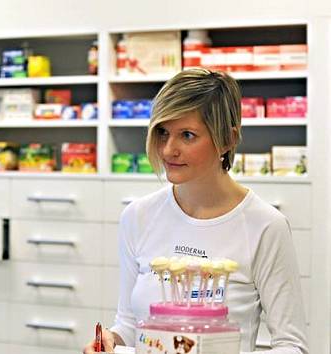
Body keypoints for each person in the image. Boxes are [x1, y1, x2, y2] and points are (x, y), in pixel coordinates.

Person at [83, 69, 308, 354]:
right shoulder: (138, 216)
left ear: (227, 139)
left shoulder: (265, 225)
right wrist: (111, 341)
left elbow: (292, 345)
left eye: (187, 135)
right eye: (162, 133)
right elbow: (129, 323)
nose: (168, 150)